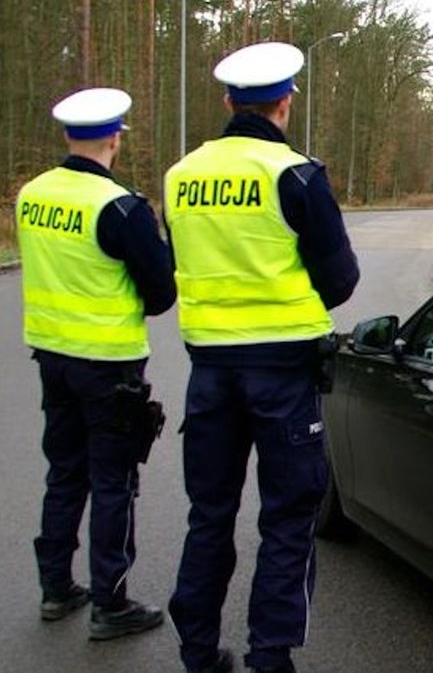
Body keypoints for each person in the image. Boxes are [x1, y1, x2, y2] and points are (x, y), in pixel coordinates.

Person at [164, 41, 359, 673]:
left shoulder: (179, 175)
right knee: (287, 517)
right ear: (286, 102)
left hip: (211, 374)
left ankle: (197, 652)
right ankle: (268, 657)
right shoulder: (295, 175)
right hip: (282, 374)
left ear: (227, 101)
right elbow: (340, 280)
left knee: (209, 516)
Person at [16, 87, 175, 640]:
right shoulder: (121, 208)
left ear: (66, 136)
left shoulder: (31, 195)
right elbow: (160, 295)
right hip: (109, 365)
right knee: (114, 482)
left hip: (52, 358)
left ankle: (56, 588)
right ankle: (112, 602)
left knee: (64, 473)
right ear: (115, 138)